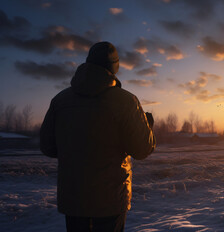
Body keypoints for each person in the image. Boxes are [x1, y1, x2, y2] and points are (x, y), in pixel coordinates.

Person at [40, 41, 156, 232]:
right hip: (110, 201)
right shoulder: (126, 101)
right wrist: (148, 127)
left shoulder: (60, 100)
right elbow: (142, 149)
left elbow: (47, 146)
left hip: (74, 201)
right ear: (114, 67)